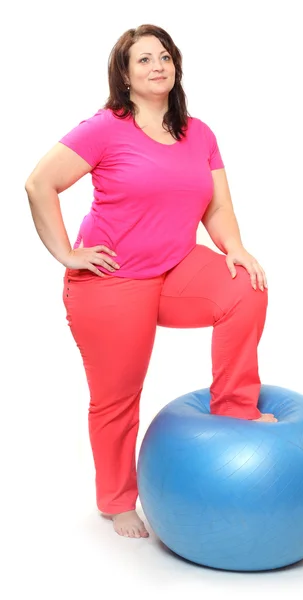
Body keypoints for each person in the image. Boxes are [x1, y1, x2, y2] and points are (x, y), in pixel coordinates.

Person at [25, 24, 277, 540]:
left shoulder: (198, 132)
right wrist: (65, 252)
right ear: (124, 73)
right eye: (144, 60)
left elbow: (217, 205)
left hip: (177, 268)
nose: (157, 66)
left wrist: (235, 247)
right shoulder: (105, 127)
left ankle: (235, 408)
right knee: (117, 397)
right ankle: (117, 500)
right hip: (111, 283)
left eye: (165, 57)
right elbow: (39, 182)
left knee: (246, 288)